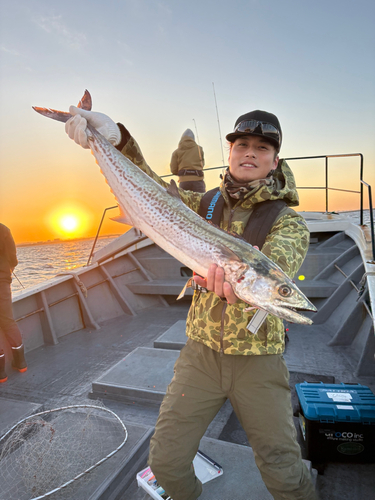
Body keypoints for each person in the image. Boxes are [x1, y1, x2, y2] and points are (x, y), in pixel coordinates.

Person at [65, 106, 317, 500]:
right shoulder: (203, 203)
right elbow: (147, 186)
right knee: (164, 463)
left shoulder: (287, 221)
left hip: (258, 360)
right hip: (199, 356)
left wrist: (248, 284)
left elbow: (276, 267)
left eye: (263, 148)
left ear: (275, 161)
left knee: (284, 469)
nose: (251, 153)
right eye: (243, 145)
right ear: (231, 152)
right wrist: (116, 140)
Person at [0, 224, 27, 383]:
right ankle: (21, 363)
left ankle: (1, 373)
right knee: (9, 321)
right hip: (2, 283)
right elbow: (13, 258)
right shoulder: (3, 230)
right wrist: (7, 269)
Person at [170, 129, 206, 193]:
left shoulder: (176, 152)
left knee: (184, 202)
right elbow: (202, 164)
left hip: (184, 182)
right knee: (201, 201)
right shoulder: (199, 149)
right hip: (198, 181)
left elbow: (173, 170)